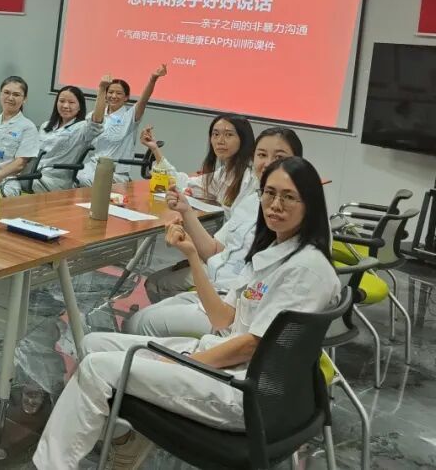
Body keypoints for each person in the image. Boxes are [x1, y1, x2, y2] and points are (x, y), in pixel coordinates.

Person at [34, 156, 339, 470]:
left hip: (240, 391)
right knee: (92, 344)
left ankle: (51, 466)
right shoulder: (274, 251)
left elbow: (252, 345)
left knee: (97, 368)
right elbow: (223, 319)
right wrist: (192, 255)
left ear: (310, 205)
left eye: (288, 197)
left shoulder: (306, 269)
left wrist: (185, 363)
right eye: (270, 193)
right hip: (223, 361)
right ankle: (127, 440)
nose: (275, 205)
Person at [127, 126, 303, 337]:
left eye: (279, 157)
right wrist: (186, 210)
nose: (268, 163)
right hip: (217, 289)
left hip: (236, 308)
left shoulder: (287, 215)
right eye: (262, 155)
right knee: (140, 318)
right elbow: (215, 250)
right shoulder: (251, 202)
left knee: (139, 323)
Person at [76, 65, 166, 187]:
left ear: (126, 97)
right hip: (91, 167)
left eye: (118, 93)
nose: (114, 96)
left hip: (115, 174)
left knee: (79, 182)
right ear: (105, 94)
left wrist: (153, 79)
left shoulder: (130, 116)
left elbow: (144, 100)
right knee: (67, 176)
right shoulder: (93, 115)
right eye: (110, 92)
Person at [33, 78, 108, 193]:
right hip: (35, 174)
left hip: (56, 181)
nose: (65, 105)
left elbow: (96, 121)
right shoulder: (46, 125)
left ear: (80, 107)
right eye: (61, 101)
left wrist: (102, 90)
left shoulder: (82, 128)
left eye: (71, 102)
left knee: (12, 183)